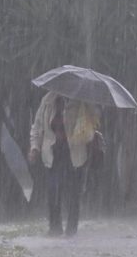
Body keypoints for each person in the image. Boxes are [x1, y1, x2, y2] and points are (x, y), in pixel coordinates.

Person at [29, 92, 100, 236]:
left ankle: (71, 229)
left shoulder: (81, 101)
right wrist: (34, 147)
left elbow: (93, 122)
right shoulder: (47, 101)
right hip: (53, 154)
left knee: (74, 192)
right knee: (53, 189)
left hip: (75, 153)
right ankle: (55, 227)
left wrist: (88, 109)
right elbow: (37, 127)